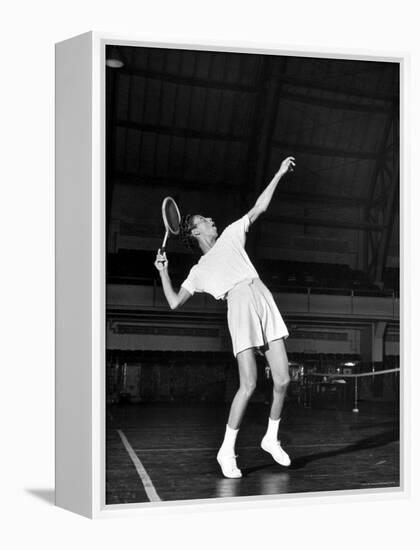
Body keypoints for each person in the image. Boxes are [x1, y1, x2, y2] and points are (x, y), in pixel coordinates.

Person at [154, 156, 295, 478]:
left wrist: (277, 174)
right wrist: (163, 273)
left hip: (261, 295)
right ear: (194, 230)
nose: (211, 219)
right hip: (240, 304)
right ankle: (226, 450)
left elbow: (259, 208)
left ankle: (271, 438)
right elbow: (175, 302)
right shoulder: (199, 271)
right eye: (204, 219)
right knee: (249, 383)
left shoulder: (232, 234)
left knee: (284, 380)